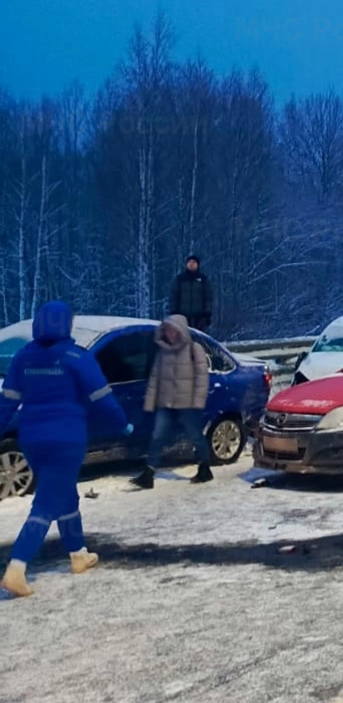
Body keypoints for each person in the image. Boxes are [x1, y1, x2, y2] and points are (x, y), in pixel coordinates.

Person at [0, 301, 132, 598]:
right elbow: (102, 397)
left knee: (65, 494)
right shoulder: (76, 356)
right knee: (46, 503)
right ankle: (16, 569)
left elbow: (7, 401)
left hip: (32, 438)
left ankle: (78, 554)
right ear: (66, 325)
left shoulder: (23, 357)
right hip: (67, 439)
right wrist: (123, 424)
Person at [131, 315, 212, 489]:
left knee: (195, 436)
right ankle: (148, 473)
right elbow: (155, 378)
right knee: (157, 436)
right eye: (167, 330)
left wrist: (198, 401)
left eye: (174, 330)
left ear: (181, 330)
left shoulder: (193, 348)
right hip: (166, 403)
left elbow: (202, 377)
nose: (170, 334)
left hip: (187, 403)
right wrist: (150, 402)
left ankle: (205, 467)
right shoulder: (162, 352)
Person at [169, 255, 213, 332]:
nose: (191, 264)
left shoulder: (203, 280)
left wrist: (207, 314)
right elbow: (174, 296)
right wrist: (174, 312)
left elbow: (208, 297)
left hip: (199, 318)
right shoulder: (180, 279)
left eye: (194, 262)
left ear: (198, 265)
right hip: (182, 317)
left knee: (198, 339)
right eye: (189, 262)